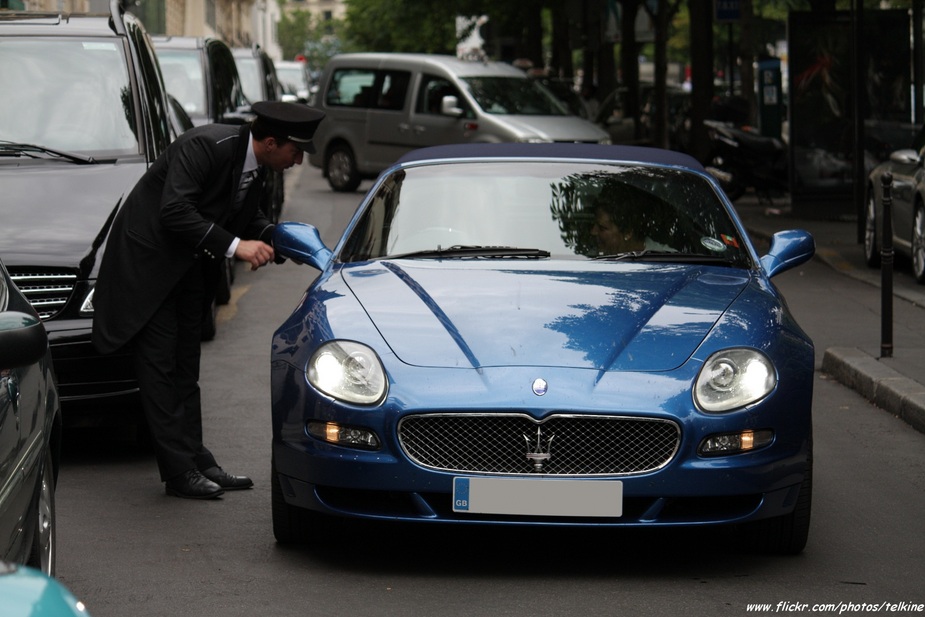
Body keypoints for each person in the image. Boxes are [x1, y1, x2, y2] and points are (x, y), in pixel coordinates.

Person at [92, 101, 325, 500]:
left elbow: (242, 217)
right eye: (296, 151)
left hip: (189, 270)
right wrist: (238, 247)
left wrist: (279, 238)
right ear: (271, 143)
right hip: (150, 271)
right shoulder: (205, 146)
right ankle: (179, 472)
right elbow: (175, 211)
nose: (299, 159)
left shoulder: (257, 167)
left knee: (186, 367)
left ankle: (198, 459)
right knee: (161, 369)